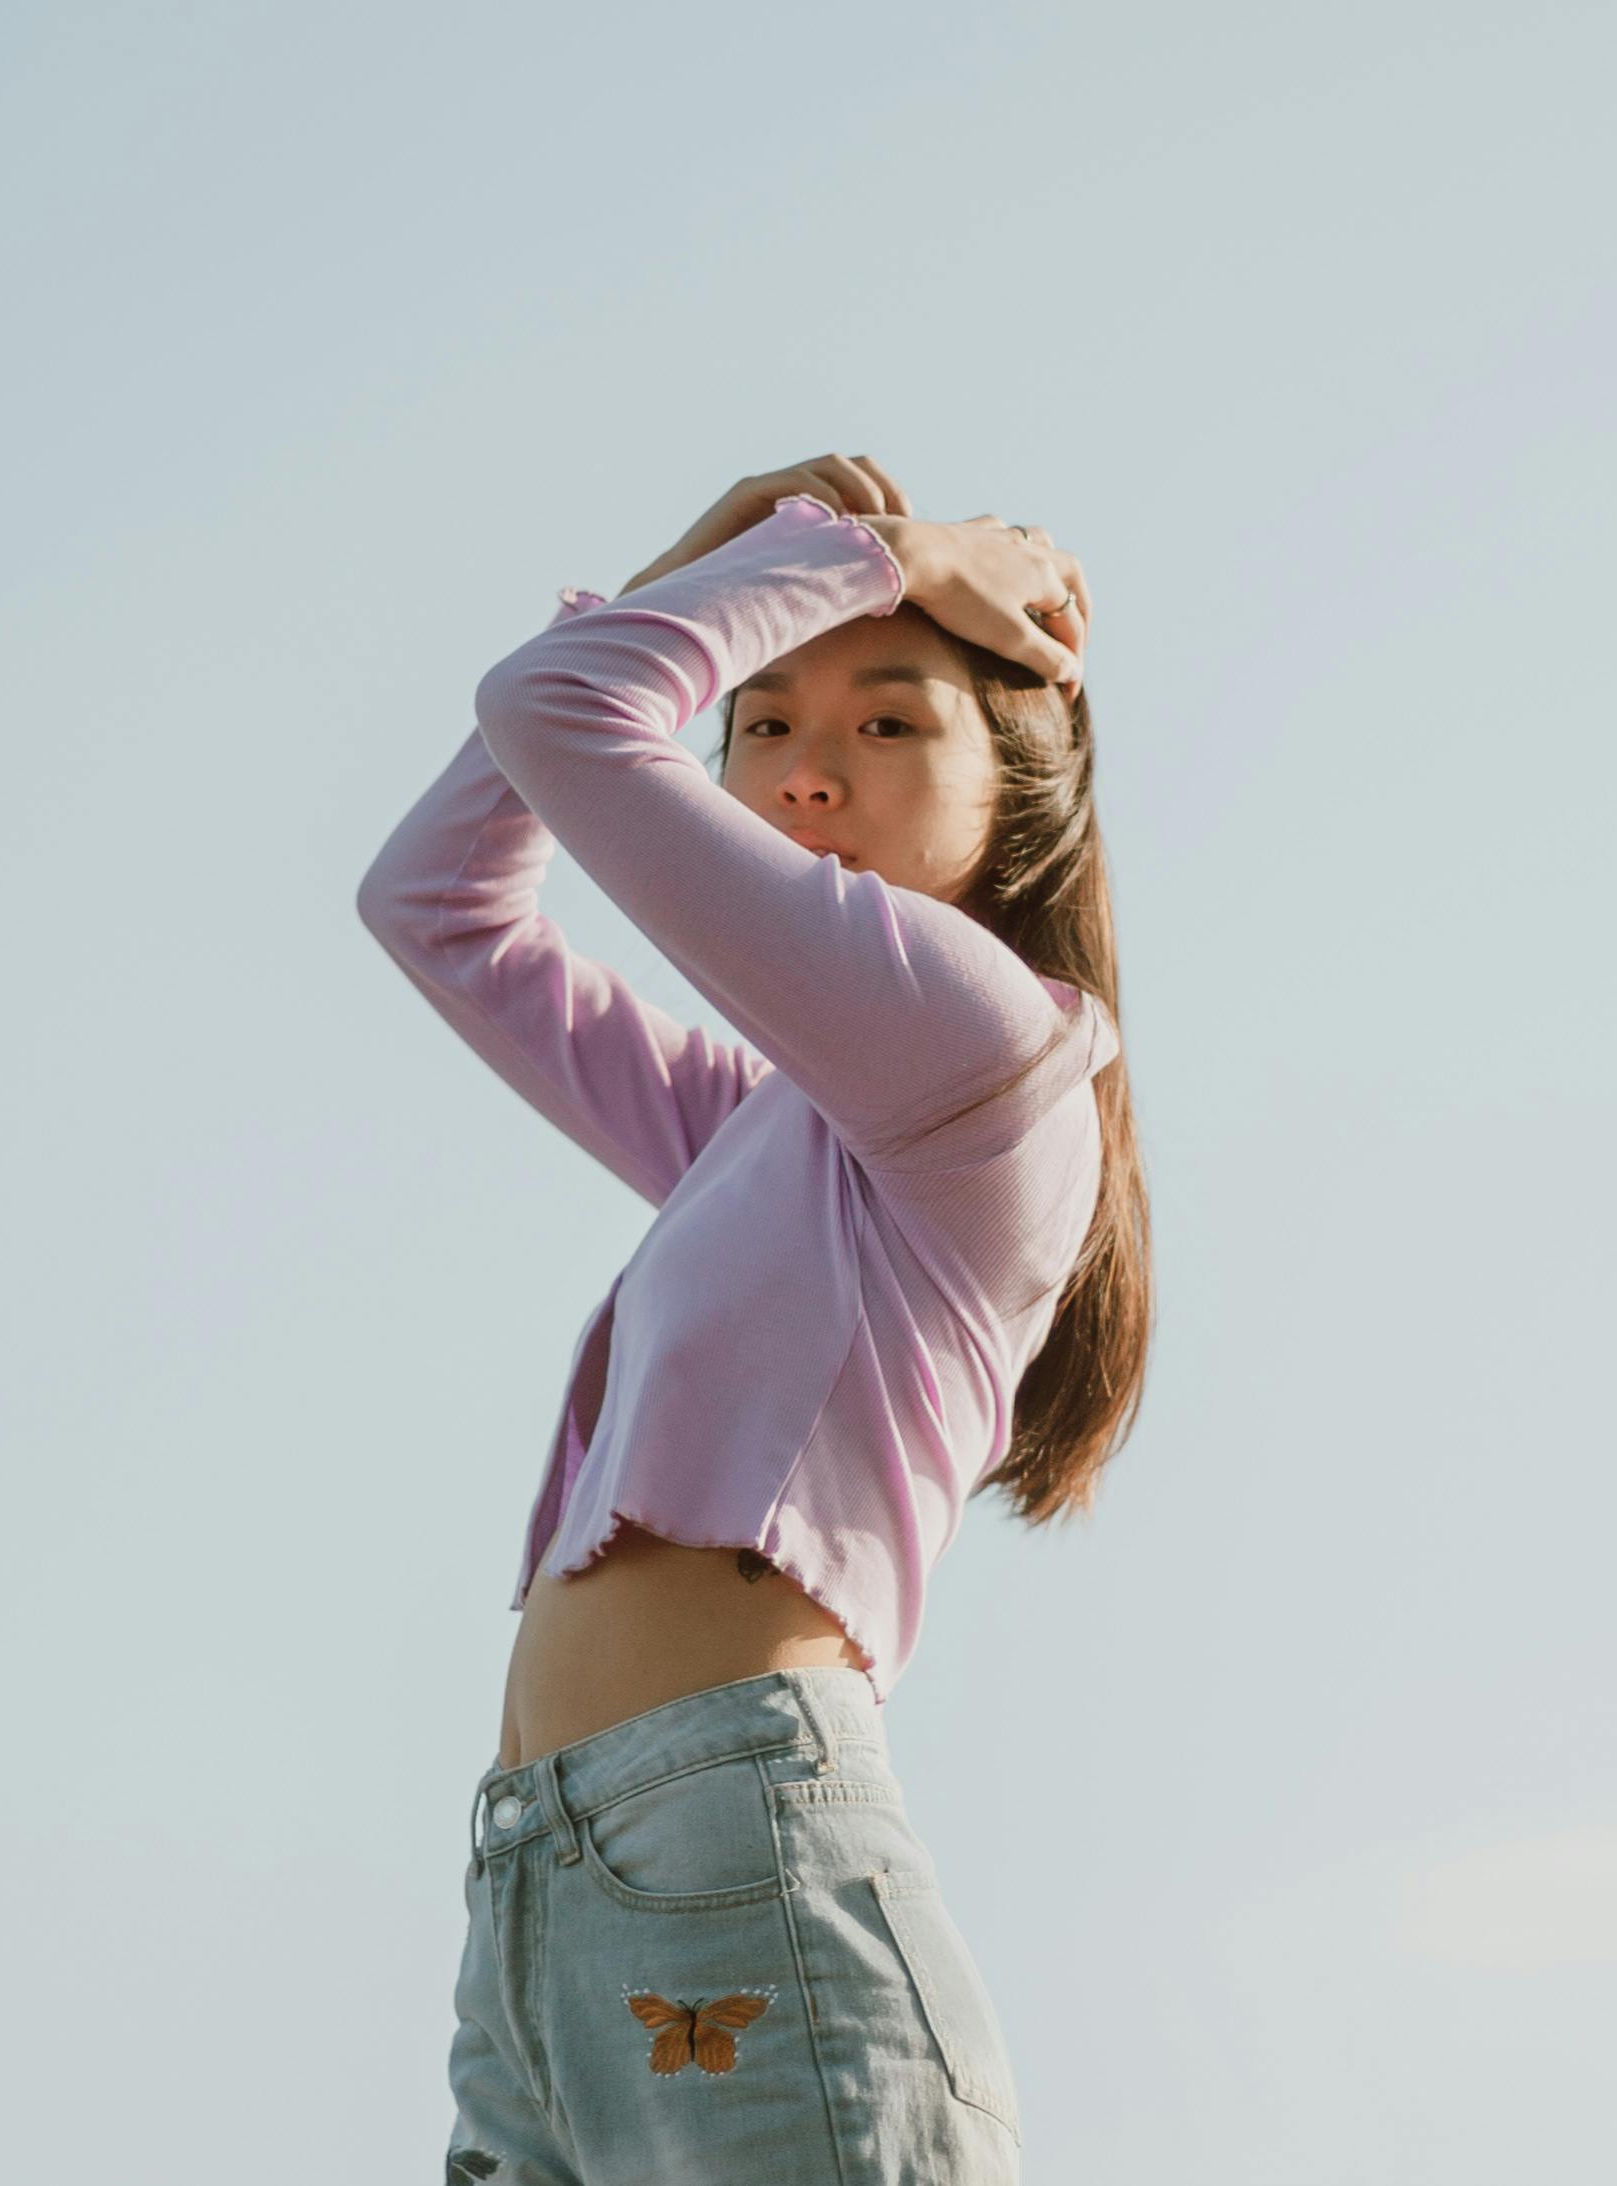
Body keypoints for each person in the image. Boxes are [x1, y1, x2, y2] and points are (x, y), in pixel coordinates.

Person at [358, 453, 1152, 2183]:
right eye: (760, 714)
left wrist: (881, 550)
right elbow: (436, 901)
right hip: (541, 1908)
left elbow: (561, 716)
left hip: (735, 1847)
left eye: (887, 725)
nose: (803, 768)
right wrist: (688, 567)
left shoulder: (984, 1049)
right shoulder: (763, 1132)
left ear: (1012, 798)